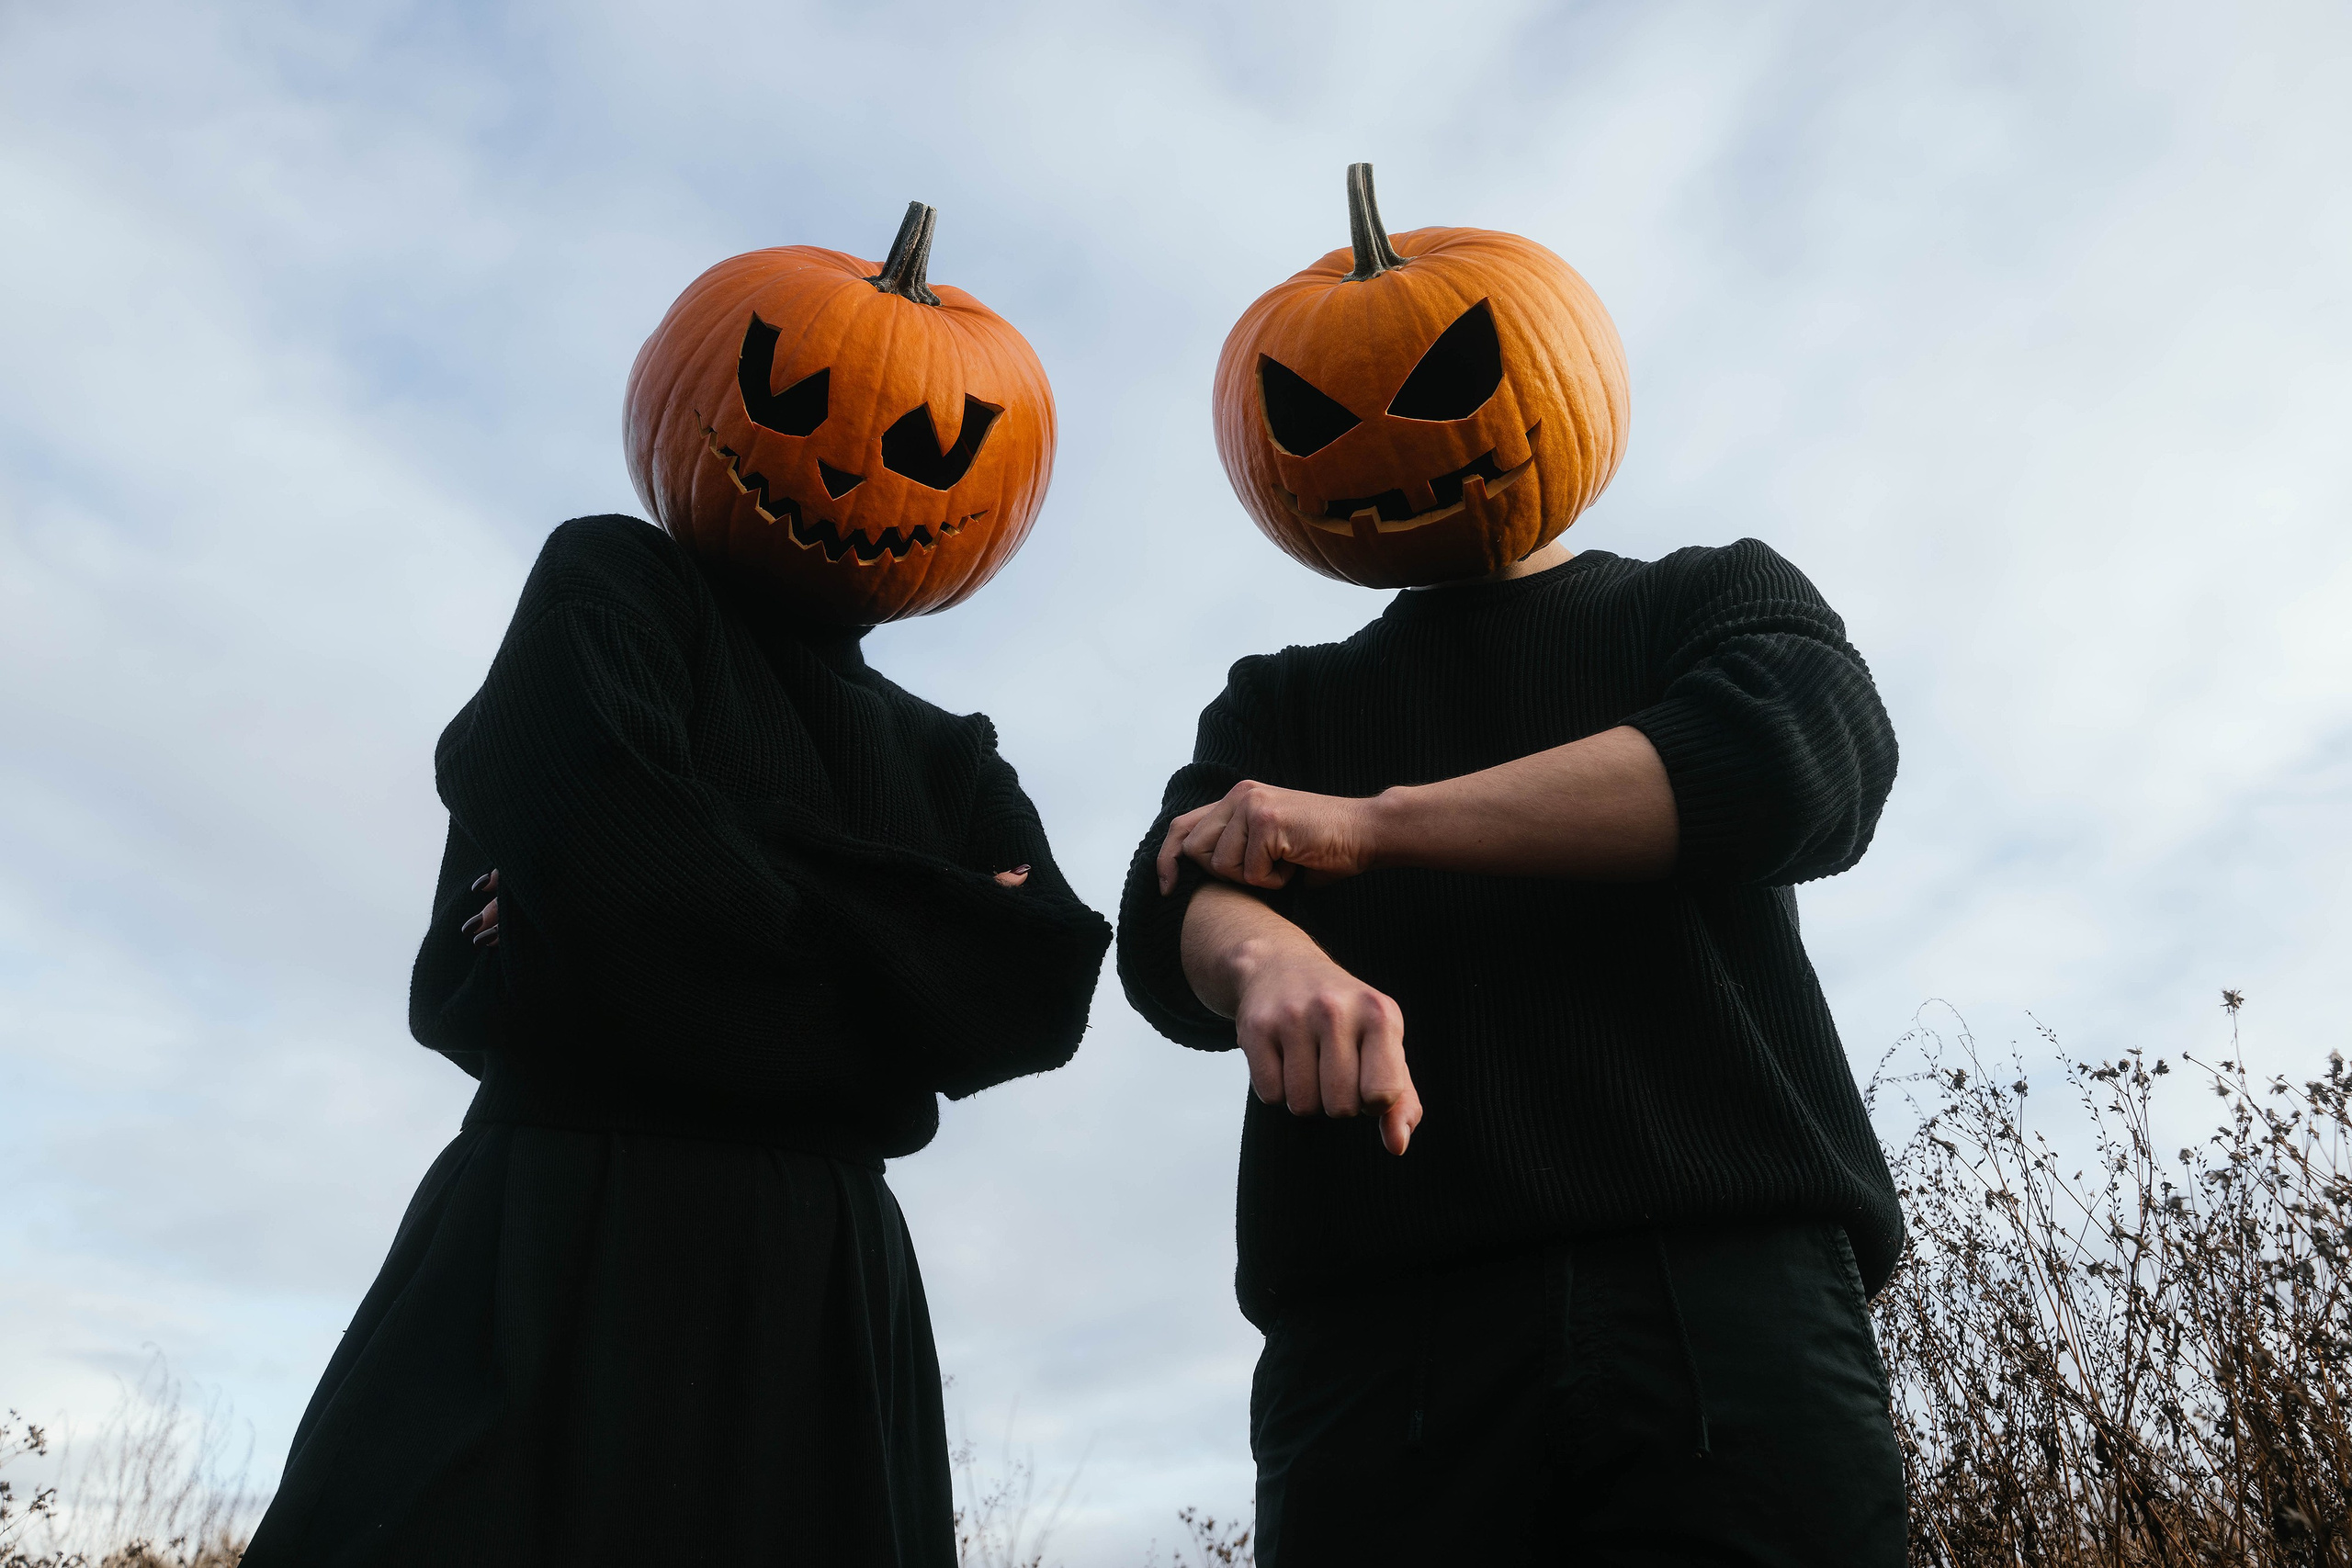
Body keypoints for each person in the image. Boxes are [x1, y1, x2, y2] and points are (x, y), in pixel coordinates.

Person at [243, 513, 1112, 1565]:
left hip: (819, 1293)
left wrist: (651, 868)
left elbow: (1034, 990)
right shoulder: (610, 585)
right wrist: (926, 918)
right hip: (554, 1233)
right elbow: (598, 849)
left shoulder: (949, 751)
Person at [1116, 531, 1905, 1565]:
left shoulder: (1703, 594)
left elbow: (1792, 755)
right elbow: (1173, 896)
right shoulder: (1281, 700)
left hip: (1726, 1309)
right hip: (1379, 1349)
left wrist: (1375, 826)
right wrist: (1269, 959)